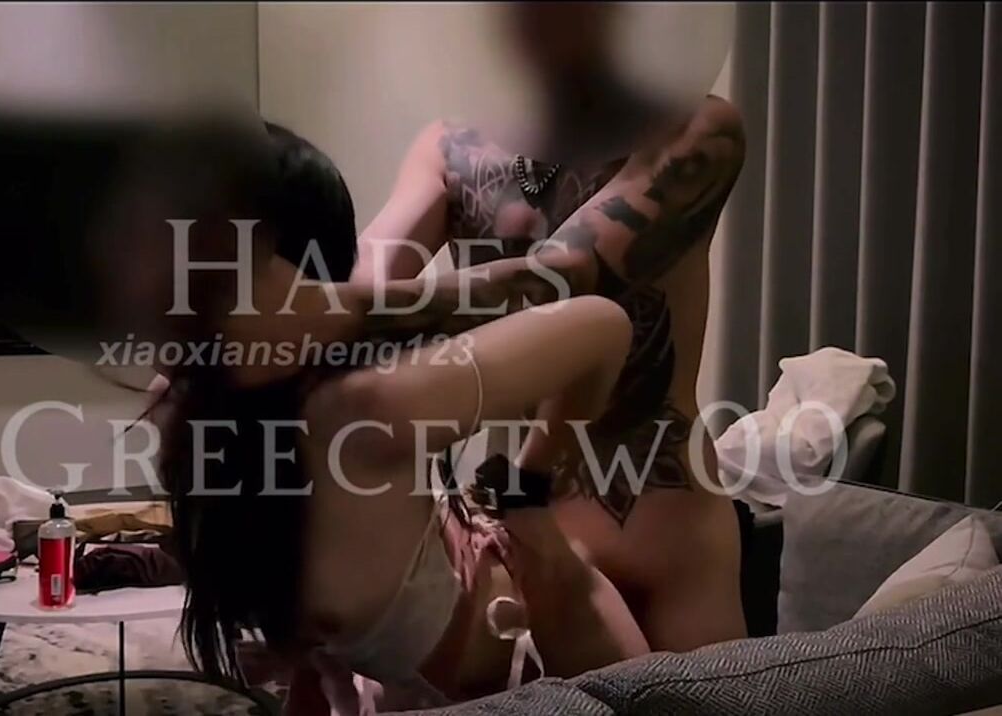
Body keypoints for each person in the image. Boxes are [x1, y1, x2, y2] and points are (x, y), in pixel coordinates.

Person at [127, 123, 650, 713]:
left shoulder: (371, 410)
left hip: (556, 650)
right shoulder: (182, 408)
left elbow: (604, 326)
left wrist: (528, 486)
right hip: (418, 677)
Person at [352, 91, 748, 652]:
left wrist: (329, 313)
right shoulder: (450, 147)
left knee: (721, 691)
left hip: (669, 533)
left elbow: (564, 275)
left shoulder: (693, 126)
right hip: (528, 521)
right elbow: (371, 267)